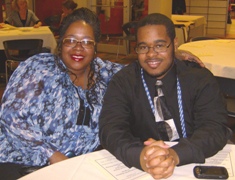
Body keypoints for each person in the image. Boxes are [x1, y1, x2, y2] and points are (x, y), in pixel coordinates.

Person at [0, 7, 203, 179]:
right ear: (60, 42)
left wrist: (172, 53)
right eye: (71, 40)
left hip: (83, 166)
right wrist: (55, 158)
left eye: (87, 42)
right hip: (23, 164)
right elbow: (12, 119)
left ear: (95, 47)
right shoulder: (38, 68)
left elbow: (142, 67)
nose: (78, 48)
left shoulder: (104, 72)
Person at [99, 13, 232, 179]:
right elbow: (110, 129)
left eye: (160, 46)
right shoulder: (124, 81)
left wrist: (175, 154)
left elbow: (214, 128)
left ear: (175, 44)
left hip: (192, 161)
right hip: (143, 168)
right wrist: (140, 156)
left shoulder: (199, 79)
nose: (151, 54)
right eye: (143, 47)